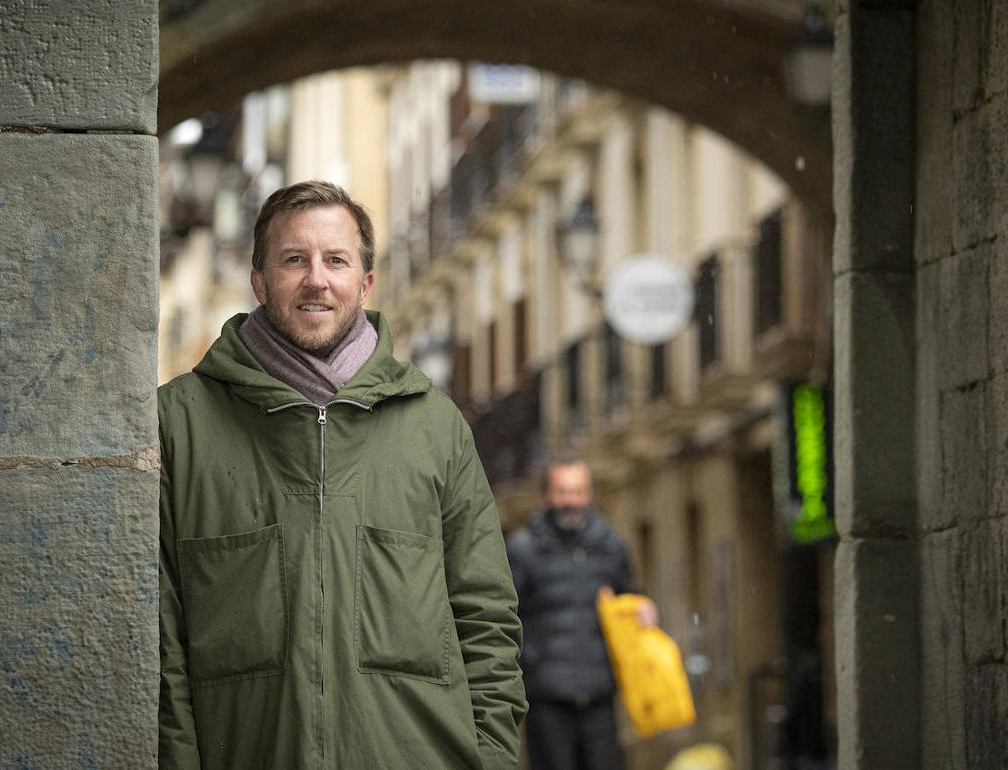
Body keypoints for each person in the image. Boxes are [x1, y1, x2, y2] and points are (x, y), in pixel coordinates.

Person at [157, 180, 526, 769]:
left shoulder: (433, 426)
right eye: (293, 260)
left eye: (336, 260)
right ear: (259, 280)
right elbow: (162, 637)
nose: (316, 280)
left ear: (365, 281)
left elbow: (485, 617)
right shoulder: (178, 425)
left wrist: (493, 759)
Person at [505, 459, 657, 770]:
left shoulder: (611, 546)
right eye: (562, 492)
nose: (570, 501)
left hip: (599, 694)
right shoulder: (522, 549)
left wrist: (644, 607)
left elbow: (630, 595)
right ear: (546, 496)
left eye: (578, 492)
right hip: (546, 698)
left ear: (589, 495)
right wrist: (527, 665)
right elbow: (507, 614)